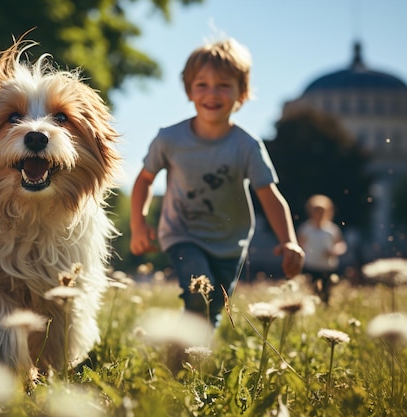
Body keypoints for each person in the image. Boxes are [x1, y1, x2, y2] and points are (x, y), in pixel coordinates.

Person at [130, 37, 304, 326]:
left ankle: (190, 360)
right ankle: (183, 360)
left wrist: (289, 241)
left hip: (230, 243)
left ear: (242, 93)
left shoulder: (247, 145)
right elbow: (145, 180)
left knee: (214, 309)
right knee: (200, 293)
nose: (212, 93)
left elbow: (269, 195)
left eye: (224, 85)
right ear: (189, 91)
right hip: (181, 235)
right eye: (202, 84)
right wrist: (139, 224)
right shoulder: (169, 139)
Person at [297, 194, 347, 304]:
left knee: (327, 295)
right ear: (310, 212)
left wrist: (334, 251)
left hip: (328, 267)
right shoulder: (305, 229)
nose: (319, 214)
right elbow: (299, 246)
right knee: (311, 295)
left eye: (321, 211)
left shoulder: (332, 229)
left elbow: (341, 245)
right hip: (311, 266)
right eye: (316, 210)